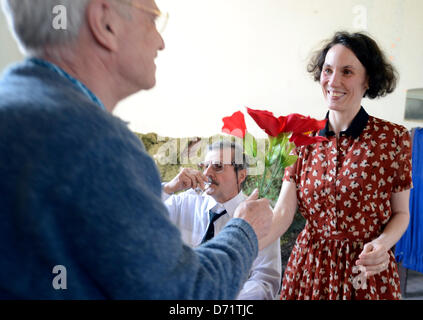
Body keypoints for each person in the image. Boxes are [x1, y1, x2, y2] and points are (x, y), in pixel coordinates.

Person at [0, 0, 273, 299]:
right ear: (105, 23)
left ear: (242, 174)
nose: (161, 41)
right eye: (153, 18)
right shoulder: (102, 147)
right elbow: (183, 295)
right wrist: (245, 230)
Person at [260, 31, 412, 300]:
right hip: (309, 270)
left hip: (366, 272)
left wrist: (382, 243)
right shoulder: (302, 139)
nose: (333, 81)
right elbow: (283, 211)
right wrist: (242, 247)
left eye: (347, 72)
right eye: (328, 70)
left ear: (368, 80)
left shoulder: (393, 139)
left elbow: (401, 213)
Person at [163, 141, 282, 300]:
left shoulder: (259, 215)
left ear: (241, 175)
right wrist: (168, 189)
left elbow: (265, 280)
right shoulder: (184, 202)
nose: (207, 173)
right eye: (204, 166)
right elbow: (139, 221)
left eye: (218, 166)